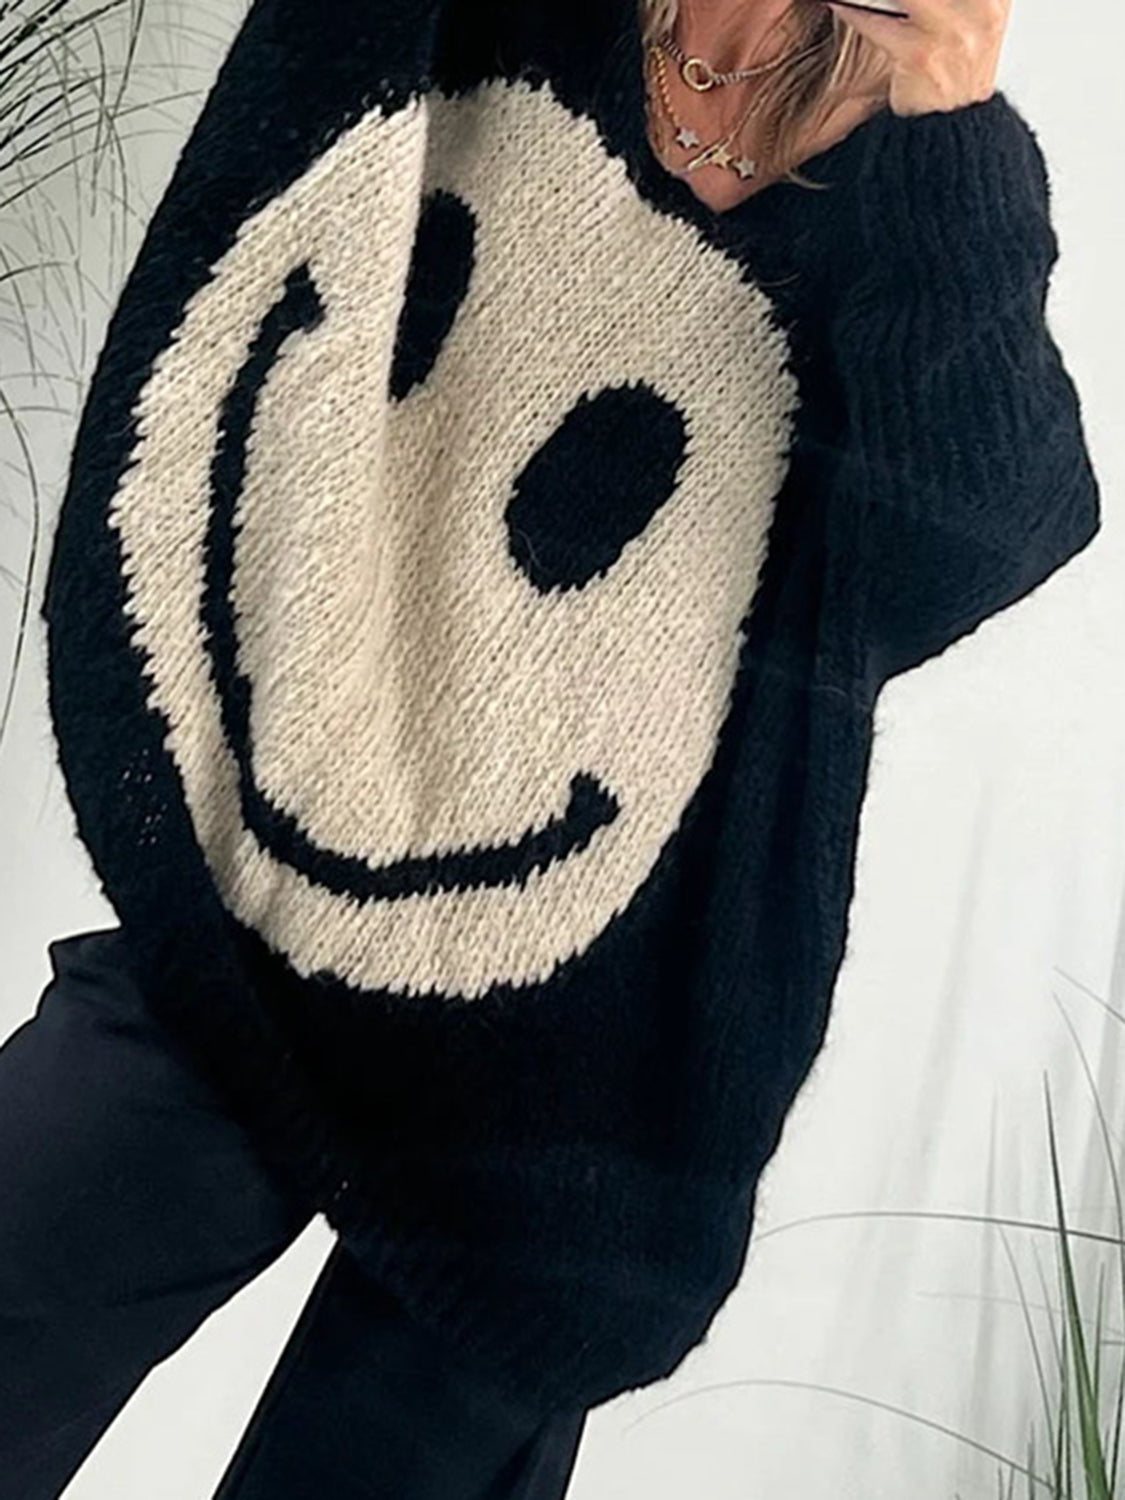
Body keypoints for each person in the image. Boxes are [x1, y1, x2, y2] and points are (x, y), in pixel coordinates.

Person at [6, 0, 1100, 1495]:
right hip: (260, 906)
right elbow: (247, 272)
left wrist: (955, 129)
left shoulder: (911, 157)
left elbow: (958, 547)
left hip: (596, 1056)